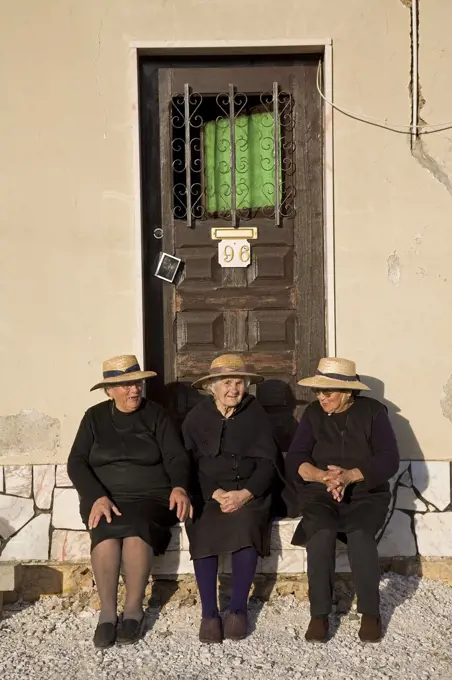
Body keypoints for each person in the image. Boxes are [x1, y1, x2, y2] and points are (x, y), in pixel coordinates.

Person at [67, 354, 191, 649]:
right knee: (106, 533)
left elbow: (176, 456)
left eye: (136, 383)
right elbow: (76, 462)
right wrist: (96, 497)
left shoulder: (157, 415)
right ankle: (108, 614)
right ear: (109, 390)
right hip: (104, 498)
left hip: (151, 497)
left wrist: (179, 487)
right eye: (125, 385)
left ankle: (134, 610)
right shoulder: (94, 417)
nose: (134, 390)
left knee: (136, 529)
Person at [284, 358, 399, 643]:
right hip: (320, 492)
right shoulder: (313, 413)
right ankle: (319, 615)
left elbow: (388, 459)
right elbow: (297, 457)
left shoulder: (373, 413)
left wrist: (349, 477)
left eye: (329, 392)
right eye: (319, 392)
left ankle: (371, 612)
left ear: (348, 391)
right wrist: (324, 477)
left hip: (365, 493)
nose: (322, 397)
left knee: (360, 535)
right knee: (320, 534)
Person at [182, 354, 280, 644]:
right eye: (226, 383)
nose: (233, 389)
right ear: (212, 386)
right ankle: (209, 614)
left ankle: (238, 609)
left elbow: (269, 463)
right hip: (208, 492)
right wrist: (215, 492)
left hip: (249, 493)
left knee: (246, 524)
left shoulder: (256, 414)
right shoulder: (196, 417)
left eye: (238, 382)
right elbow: (189, 463)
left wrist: (245, 493)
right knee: (201, 526)